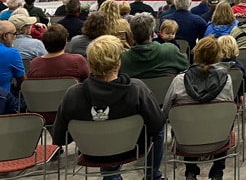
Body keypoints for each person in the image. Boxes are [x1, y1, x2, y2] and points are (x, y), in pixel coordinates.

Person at [53, 35, 166, 180]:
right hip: (132, 149)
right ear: (118, 62)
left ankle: (111, 176)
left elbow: (60, 138)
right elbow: (157, 124)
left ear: (90, 63)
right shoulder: (137, 89)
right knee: (159, 129)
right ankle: (152, 176)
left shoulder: (72, 94)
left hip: (92, 151)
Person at [162, 36, 234, 180]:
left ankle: (191, 171)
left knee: (183, 124)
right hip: (218, 139)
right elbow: (230, 112)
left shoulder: (179, 81)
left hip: (185, 141)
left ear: (196, 54)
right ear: (218, 55)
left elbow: (165, 112)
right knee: (224, 123)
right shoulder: (226, 80)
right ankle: (217, 172)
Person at [120, 13, 189, 79]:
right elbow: (186, 67)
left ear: (132, 35)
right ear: (152, 34)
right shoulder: (171, 51)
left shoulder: (122, 60)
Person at [0, 20, 24, 96]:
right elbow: (23, 82)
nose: (15, 37)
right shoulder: (12, 53)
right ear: (5, 36)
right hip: (3, 101)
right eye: (14, 34)